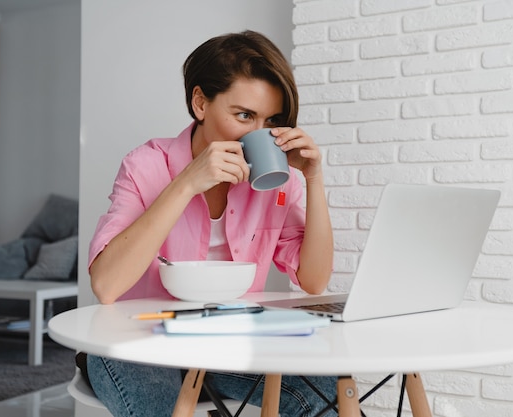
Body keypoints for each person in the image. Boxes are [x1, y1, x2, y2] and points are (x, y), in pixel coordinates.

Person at [85, 30, 337, 417]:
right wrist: (186, 183)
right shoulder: (145, 166)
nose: (260, 134)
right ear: (200, 102)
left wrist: (314, 178)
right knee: (164, 408)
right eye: (244, 115)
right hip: (137, 340)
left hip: (225, 341)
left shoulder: (274, 182)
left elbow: (314, 280)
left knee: (324, 392)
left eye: (272, 120)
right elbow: (106, 285)